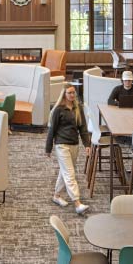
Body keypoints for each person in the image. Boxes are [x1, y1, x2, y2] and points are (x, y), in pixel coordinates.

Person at [46, 85, 92, 215]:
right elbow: (52, 130)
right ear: (64, 94)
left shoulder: (78, 109)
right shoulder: (58, 110)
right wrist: (48, 148)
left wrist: (87, 145)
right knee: (70, 174)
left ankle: (56, 195)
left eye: (74, 93)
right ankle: (77, 203)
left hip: (74, 144)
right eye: (70, 93)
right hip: (61, 145)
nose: (72, 95)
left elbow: (83, 128)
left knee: (64, 171)